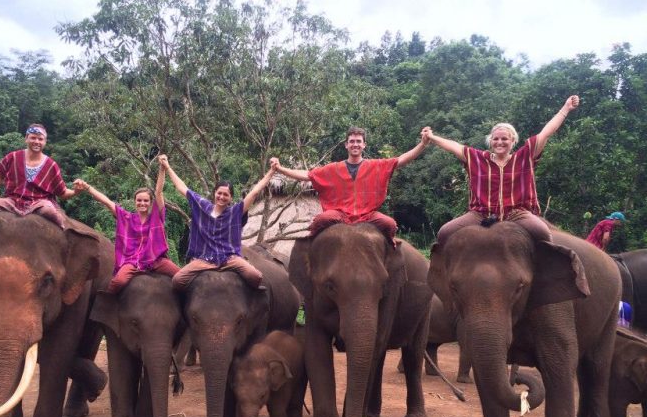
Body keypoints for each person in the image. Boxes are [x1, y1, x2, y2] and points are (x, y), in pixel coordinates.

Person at [426, 95, 581, 245]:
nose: (500, 142)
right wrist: (432, 137)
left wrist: (566, 108)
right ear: (490, 141)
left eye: (504, 139)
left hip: (517, 213)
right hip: (480, 214)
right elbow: (454, 146)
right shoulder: (477, 158)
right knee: (444, 232)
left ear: (513, 141)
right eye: (496, 139)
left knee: (542, 232)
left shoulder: (524, 156)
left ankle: (548, 268)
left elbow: (546, 132)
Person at [269, 125, 430, 243]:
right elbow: (307, 175)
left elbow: (401, 160)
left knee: (389, 224)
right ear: (346, 145)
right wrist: (281, 169)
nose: (355, 144)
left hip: (367, 215)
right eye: (352, 141)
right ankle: (312, 248)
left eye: (359, 141)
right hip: (340, 214)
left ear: (364, 145)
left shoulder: (375, 166)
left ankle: (389, 249)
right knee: (320, 220)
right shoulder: (334, 169)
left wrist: (422, 144)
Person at [159, 154, 276, 291]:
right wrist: (167, 167)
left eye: (226, 194)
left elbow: (255, 192)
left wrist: (272, 171)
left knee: (255, 276)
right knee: (178, 280)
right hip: (204, 259)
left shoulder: (235, 212)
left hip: (229, 258)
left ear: (231, 197)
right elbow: (181, 187)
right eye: (219, 193)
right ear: (215, 193)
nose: (222, 197)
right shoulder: (202, 205)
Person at [73, 163, 180, 294]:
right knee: (118, 282)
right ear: (135, 202)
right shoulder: (127, 218)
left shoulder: (156, 217)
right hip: (132, 261)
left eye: (146, 201)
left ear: (151, 203)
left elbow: (158, 191)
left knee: (180, 276)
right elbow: (107, 201)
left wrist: (162, 168)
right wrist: (87, 187)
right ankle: (105, 307)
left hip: (156, 260)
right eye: (139, 200)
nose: (142, 203)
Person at [0, 124, 78, 228]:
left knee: (51, 213)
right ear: (26, 138)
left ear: (45, 142)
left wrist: (76, 191)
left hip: (39, 204)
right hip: (13, 201)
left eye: (40, 139)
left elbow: (62, 193)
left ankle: (62, 239)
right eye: (33, 138)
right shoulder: (13, 157)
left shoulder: (51, 165)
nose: (37, 142)